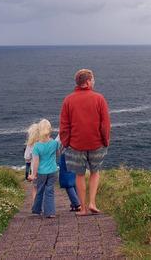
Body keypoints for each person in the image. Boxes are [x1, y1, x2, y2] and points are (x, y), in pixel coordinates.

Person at [60, 69, 111, 216]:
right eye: (93, 79)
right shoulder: (99, 98)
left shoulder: (68, 100)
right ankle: (92, 203)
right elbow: (105, 123)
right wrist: (105, 140)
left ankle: (82, 208)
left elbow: (64, 125)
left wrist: (66, 142)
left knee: (79, 175)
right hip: (96, 143)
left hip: (75, 144)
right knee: (95, 172)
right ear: (88, 81)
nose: (94, 82)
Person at [29, 119, 60, 218]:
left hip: (41, 172)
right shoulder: (55, 143)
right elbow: (58, 154)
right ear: (50, 130)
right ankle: (50, 212)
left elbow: (36, 162)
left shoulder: (37, 146)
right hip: (53, 171)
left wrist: (34, 174)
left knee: (40, 191)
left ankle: (37, 210)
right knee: (50, 191)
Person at [55, 135, 81, 211]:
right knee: (74, 180)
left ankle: (77, 204)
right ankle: (75, 203)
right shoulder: (76, 128)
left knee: (66, 181)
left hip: (66, 155)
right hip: (77, 154)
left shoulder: (64, 130)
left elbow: (57, 143)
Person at [24, 123, 40, 201]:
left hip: (35, 170)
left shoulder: (30, 145)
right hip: (46, 169)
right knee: (44, 189)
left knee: (35, 188)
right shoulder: (44, 142)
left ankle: (36, 206)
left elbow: (27, 157)